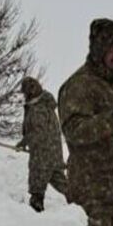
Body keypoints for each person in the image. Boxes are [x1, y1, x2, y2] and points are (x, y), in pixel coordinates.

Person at [59, 19, 113, 226]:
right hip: (91, 192)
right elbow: (74, 132)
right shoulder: (78, 86)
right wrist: (110, 120)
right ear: (98, 49)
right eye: (111, 48)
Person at [20, 76, 67, 211]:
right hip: (54, 153)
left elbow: (38, 133)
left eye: (25, 93)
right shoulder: (47, 107)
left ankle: (37, 216)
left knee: (37, 189)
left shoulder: (37, 109)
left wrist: (25, 141)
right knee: (61, 182)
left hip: (42, 156)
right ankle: (81, 204)